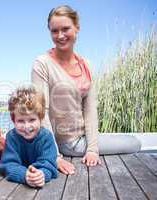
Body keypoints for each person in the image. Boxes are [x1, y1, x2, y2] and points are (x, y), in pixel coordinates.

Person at [31, 5, 141, 175]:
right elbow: (41, 112)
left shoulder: (86, 64)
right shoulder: (42, 63)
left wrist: (92, 149)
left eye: (66, 29)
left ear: (77, 28)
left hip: (83, 138)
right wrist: (54, 156)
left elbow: (89, 110)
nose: (60, 35)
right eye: (54, 31)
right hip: (66, 142)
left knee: (133, 141)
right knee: (133, 143)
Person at [0, 85, 58, 188]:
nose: (27, 126)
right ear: (14, 120)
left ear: (40, 118)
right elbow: (8, 164)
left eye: (32, 120)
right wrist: (24, 175)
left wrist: (41, 174)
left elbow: (48, 163)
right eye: (21, 121)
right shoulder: (11, 137)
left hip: (38, 174)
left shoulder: (46, 137)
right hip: (23, 179)